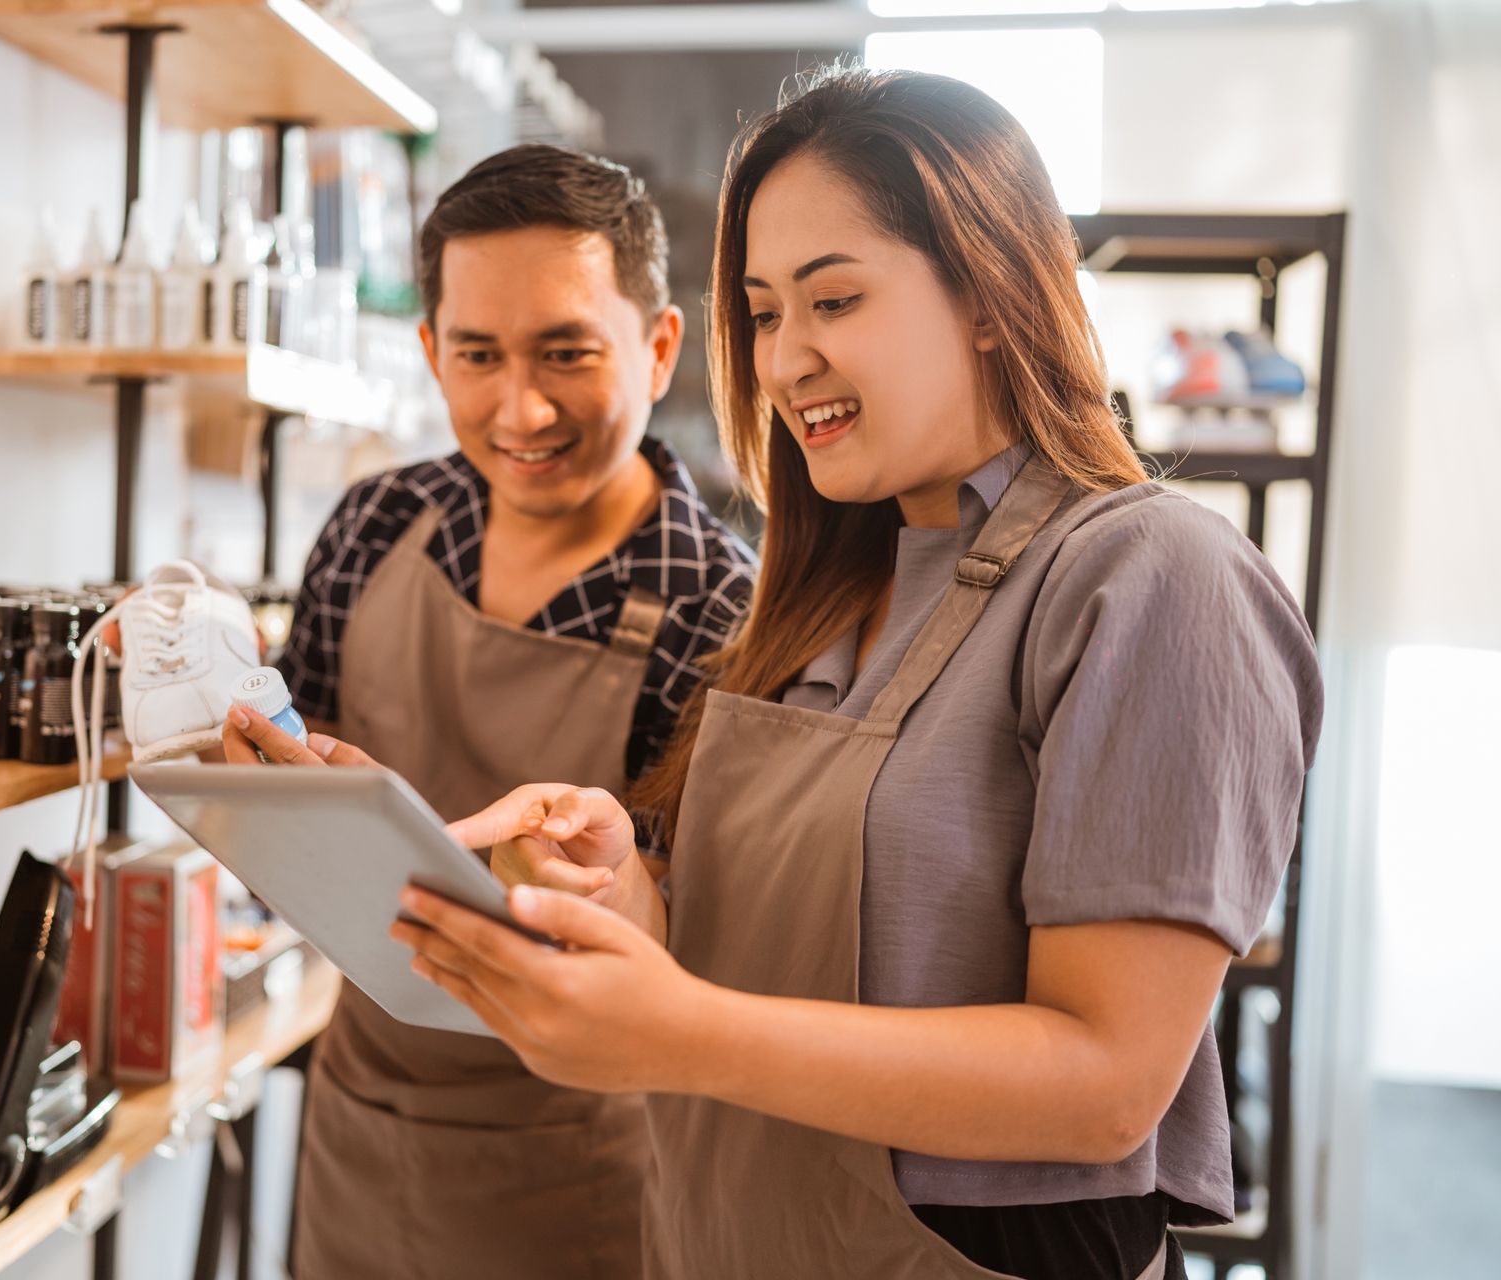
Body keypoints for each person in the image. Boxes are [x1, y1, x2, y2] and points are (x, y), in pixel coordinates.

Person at [389, 68, 1324, 1280]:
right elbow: (764, 959)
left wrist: (682, 1034)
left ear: (991, 292)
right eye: (766, 313)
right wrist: (624, 890)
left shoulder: (1151, 575)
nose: (784, 362)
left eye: (834, 299)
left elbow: (1103, 1083)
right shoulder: (826, 591)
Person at [223, 144, 756, 1279]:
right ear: (431, 352)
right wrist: (264, 786)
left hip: (578, 1167)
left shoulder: (721, 609)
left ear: (659, 347)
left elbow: (714, 959)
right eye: (477, 355)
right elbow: (285, 848)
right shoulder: (375, 527)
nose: (521, 407)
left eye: (567, 352)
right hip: (360, 1125)